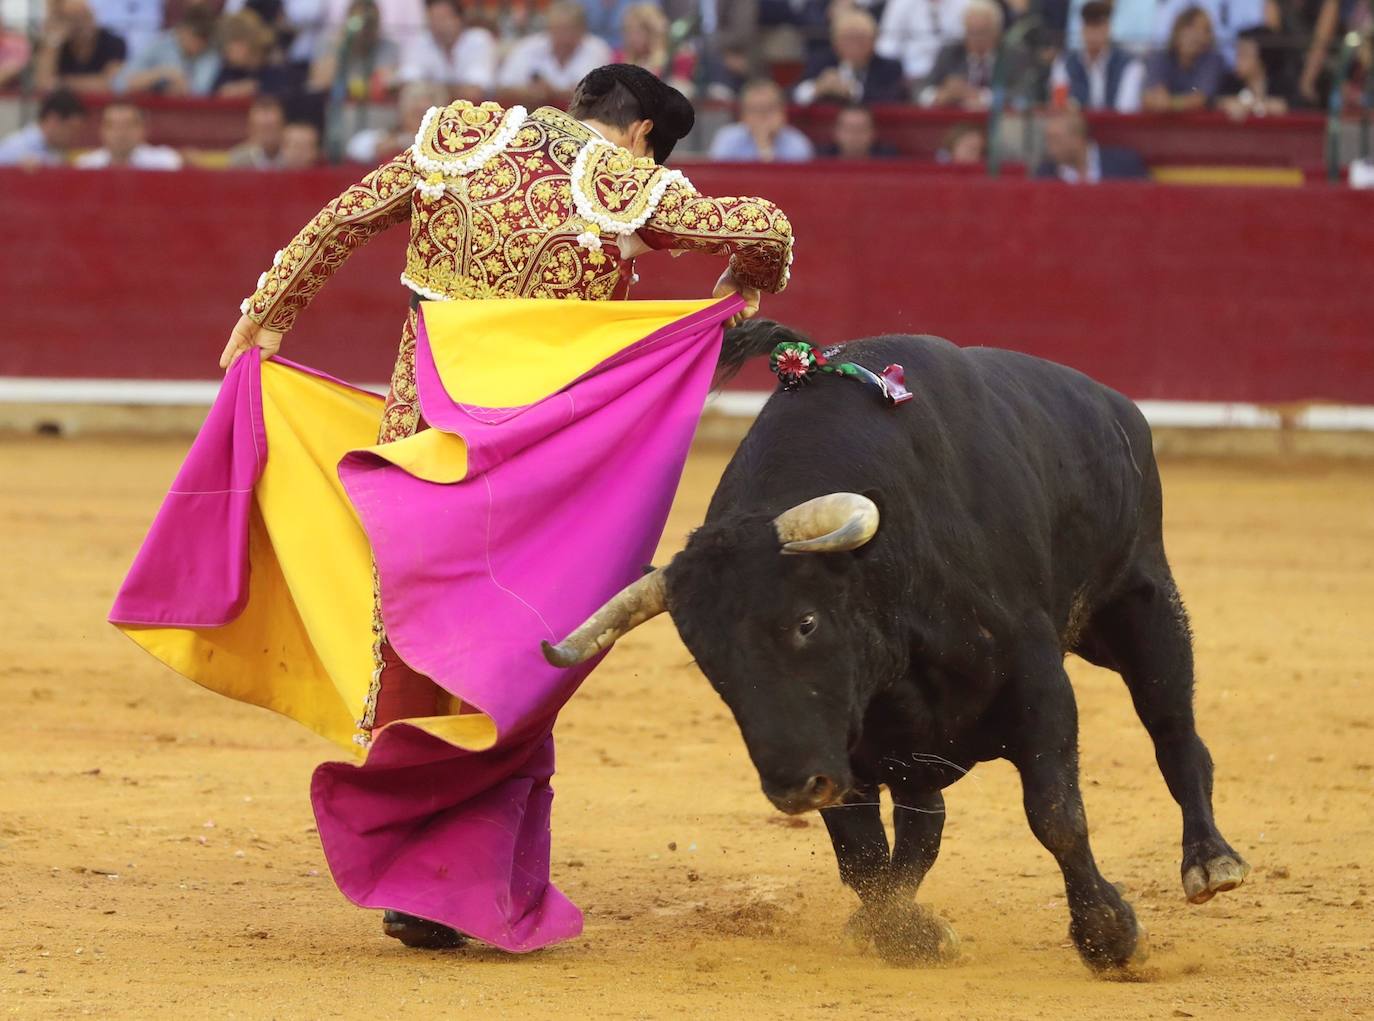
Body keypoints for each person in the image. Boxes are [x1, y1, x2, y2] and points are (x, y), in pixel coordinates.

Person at [202, 63, 793, 953]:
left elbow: (342, 219)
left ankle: (417, 878)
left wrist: (268, 314)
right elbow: (766, 226)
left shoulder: (458, 141)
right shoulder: (624, 182)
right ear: (639, 135)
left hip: (419, 444)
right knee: (514, 650)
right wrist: (742, 287)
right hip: (535, 469)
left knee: (412, 634)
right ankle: (462, 876)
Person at [920, 0, 1027, 110]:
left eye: (982, 32)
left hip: (998, 123)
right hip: (955, 123)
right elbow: (922, 91)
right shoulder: (950, 53)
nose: (975, 39)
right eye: (970, 32)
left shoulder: (1013, 56)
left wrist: (982, 97)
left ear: (997, 31)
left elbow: (1022, 95)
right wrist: (941, 94)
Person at [497, 1, 614, 96]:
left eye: (569, 29)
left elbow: (599, 93)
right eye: (557, 29)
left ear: (582, 29)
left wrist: (553, 92)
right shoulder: (528, 47)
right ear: (548, 28)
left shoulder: (597, 49)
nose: (563, 36)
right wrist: (530, 92)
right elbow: (502, 88)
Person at [794, 7, 906, 105]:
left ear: (874, 41)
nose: (854, 45)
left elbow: (893, 100)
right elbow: (789, 94)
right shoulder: (820, 63)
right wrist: (816, 88)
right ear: (835, 42)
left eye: (861, 38)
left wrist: (853, 91)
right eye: (847, 38)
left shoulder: (890, 68)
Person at [1049, 0, 1145, 112]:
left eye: (1098, 26)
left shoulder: (1129, 65)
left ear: (1108, 28)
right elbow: (1060, 106)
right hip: (1078, 127)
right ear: (1082, 29)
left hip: (1117, 127)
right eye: (1089, 26)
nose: (1093, 33)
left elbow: (1125, 109)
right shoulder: (1064, 63)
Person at [116, 3, 222, 95]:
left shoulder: (210, 52)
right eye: (195, 37)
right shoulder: (160, 45)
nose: (198, 44)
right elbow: (120, 84)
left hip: (192, 115)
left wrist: (181, 85)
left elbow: (200, 91)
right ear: (182, 30)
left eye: (203, 40)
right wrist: (162, 73)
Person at [396, 0, 496, 95]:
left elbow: (474, 91)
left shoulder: (479, 40)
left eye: (443, 18)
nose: (437, 24)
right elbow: (407, 85)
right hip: (431, 110)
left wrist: (429, 90)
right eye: (432, 19)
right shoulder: (420, 41)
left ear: (459, 19)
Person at [307, 0, 400, 99]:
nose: (365, 30)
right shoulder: (327, 44)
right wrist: (344, 43)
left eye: (370, 24)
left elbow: (383, 86)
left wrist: (347, 87)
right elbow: (319, 83)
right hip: (333, 107)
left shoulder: (388, 47)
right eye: (360, 22)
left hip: (373, 108)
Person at [1141, 5, 1227, 112]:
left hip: (1200, 127)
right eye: (1191, 27)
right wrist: (1165, 102)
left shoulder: (1213, 60)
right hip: (1162, 127)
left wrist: (1170, 103)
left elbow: (1200, 99)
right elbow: (1150, 98)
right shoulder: (1159, 58)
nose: (1196, 35)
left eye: (1205, 30)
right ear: (1178, 31)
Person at [32, 0, 128, 95]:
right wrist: (53, 41)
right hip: (64, 107)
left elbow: (110, 84)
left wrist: (62, 84)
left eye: (86, 15)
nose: (83, 23)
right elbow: (43, 83)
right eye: (75, 18)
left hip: (102, 106)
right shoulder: (57, 45)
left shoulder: (113, 42)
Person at [709, 77, 815, 161]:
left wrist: (765, 148)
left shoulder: (797, 143)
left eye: (769, 108)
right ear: (743, 115)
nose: (762, 116)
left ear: (782, 112)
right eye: (755, 110)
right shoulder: (727, 139)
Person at [345, 79, 445, 163]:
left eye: (424, 114)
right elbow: (355, 148)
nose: (419, 119)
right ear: (401, 111)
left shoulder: (449, 145)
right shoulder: (380, 137)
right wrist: (398, 142)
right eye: (415, 112)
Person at [1035, 107, 1147, 181]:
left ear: (1077, 139)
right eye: (1048, 140)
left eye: (1055, 139)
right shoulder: (1046, 173)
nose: (1050, 148)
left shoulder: (1124, 164)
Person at [875, 0, 970, 84]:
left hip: (951, 72)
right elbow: (887, 43)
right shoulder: (900, 3)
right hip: (911, 72)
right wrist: (897, 72)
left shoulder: (965, 4)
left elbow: (968, 42)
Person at [613, 2, 695, 97]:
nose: (632, 38)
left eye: (638, 32)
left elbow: (681, 93)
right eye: (629, 31)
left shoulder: (678, 58)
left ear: (652, 33)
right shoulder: (618, 57)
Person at [75, 99, 183, 168]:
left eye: (128, 125)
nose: (121, 133)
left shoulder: (164, 162)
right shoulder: (86, 165)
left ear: (142, 129)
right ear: (102, 131)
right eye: (113, 126)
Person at [1218, 26, 1291, 118]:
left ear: (1262, 58)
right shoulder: (1230, 82)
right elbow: (1218, 101)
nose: (1237, 60)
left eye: (1244, 54)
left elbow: (1285, 106)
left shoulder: (1282, 85)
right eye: (1237, 53)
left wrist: (1250, 106)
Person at [0, 88, 87, 166]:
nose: (73, 136)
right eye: (70, 128)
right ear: (53, 119)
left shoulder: (57, 153)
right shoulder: (14, 148)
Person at [212, 9, 277, 98]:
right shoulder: (228, 69)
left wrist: (255, 88)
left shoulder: (274, 67)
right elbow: (215, 94)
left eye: (234, 41)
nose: (226, 51)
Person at [819, 101, 899, 157]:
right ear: (836, 132)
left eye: (861, 129)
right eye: (849, 129)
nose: (854, 136)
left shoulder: (889, 160)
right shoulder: (819, 160)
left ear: (873, 133)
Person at [228, 93, 287, 167]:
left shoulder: (294, 158)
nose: (268, 137)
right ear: (250, 130)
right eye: (263, 129)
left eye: (271, 128)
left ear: (282, 127)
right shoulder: (238, 159)